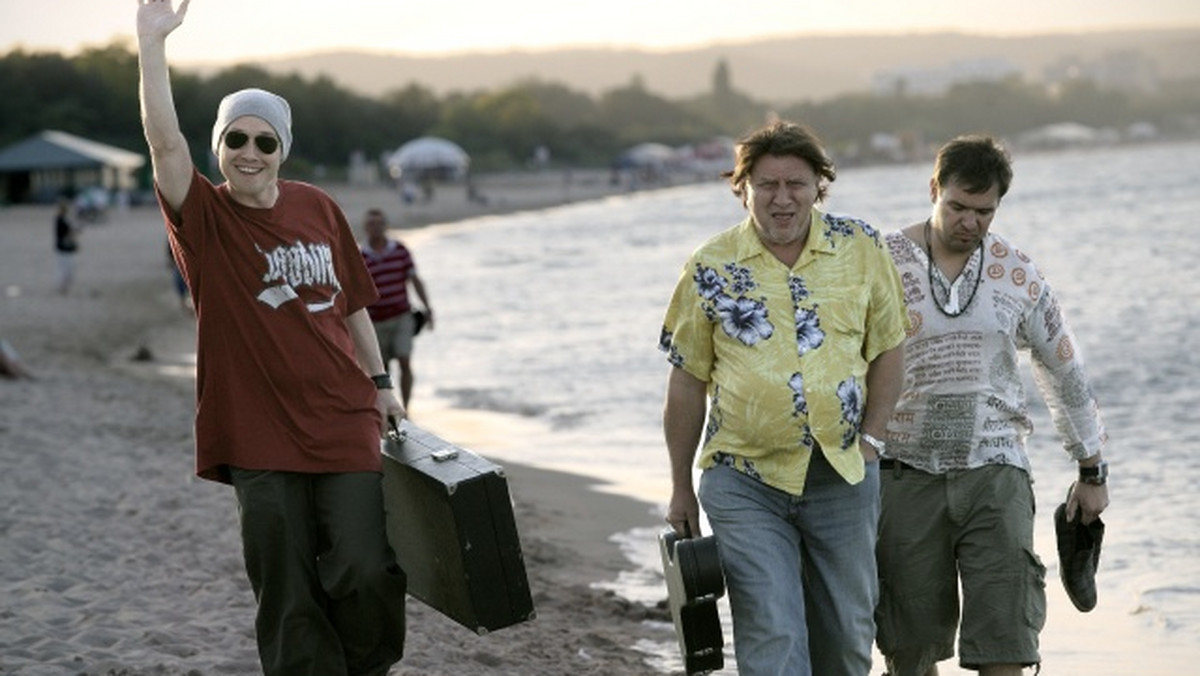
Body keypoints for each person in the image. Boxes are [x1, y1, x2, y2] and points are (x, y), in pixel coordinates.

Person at [136, 2, 407, 674]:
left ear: (282, 149)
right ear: (219, 148)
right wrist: (150, 46)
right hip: (256, 430)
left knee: (367, 567)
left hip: (343, 418)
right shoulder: (204, 218)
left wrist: (382, 388)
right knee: (286, 591)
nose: (248, 153)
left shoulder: (318, 207)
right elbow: (164, 144)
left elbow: (351, 308)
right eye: (236, 140)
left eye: (264, 141)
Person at [659, 119, 909, 676]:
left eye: (796, 183)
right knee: (773, 633)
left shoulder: (861, 246)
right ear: (741, 187)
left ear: (819, 186)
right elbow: (686, 378)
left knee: (846, 640)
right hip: (743, 478)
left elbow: (890, 347)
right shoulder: (709, 266)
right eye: (766, 184)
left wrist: (872, 440)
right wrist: (680, 487)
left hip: (844, 474)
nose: (781, 198)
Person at [876, 135, 1109, 676]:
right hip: (903, 473)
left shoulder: (1018, 272)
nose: (970, 222)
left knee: (1007, 639)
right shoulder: (880, 263)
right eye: (957, 206)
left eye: (984, 211)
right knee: (908, 649)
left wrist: (1091, 466)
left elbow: (1063, 367)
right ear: (934, 189)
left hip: (997, 469)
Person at [359, 208, 433, 409]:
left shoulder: (400, 250)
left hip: (401, 316)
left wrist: (428, 308)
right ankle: (389, 409)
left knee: (405, 361)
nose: (376, 228)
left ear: (386, 226)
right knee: (381, 370)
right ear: (366, 228)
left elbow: (415, 280)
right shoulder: (360, 256)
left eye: (379, 223)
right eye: (371, 224)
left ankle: (407, 409)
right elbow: (353, 291)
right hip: (374, 322)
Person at [54, 196, 80, 295]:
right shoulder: (60, 220)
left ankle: (64, 287)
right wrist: (74, 234)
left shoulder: (62, 219)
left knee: (66, 269)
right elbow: (67, 233)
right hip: (64, 248)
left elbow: (70, 231)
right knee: (65, 269)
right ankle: (62, 287)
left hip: (64, 248)